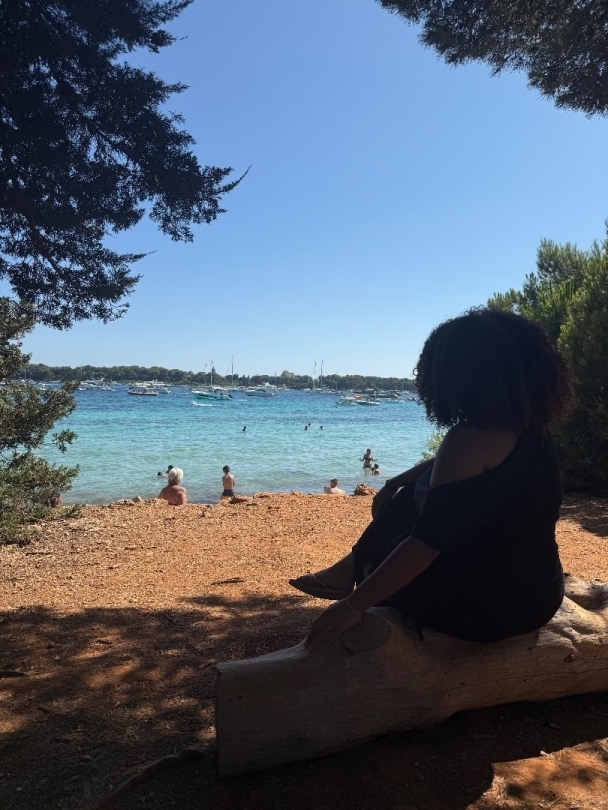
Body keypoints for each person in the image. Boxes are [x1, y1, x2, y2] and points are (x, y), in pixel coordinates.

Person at [289, 309, 571, 651]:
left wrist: (353, 606)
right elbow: (448, 470)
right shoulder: (532, 429)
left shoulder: (469, 438)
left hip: (488, 611)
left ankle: (351, 571)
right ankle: (346, 569)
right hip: (540, 594)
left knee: (388, 550)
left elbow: (424, 545)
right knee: (412, 493)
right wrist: (395, 482)